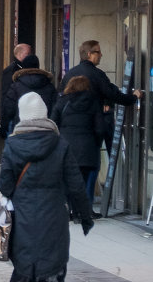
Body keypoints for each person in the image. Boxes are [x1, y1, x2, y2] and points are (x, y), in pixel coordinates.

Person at [0, 92, 94, 282]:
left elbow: (5, 185)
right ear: (45, 114)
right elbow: (76, 186)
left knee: (24, 267)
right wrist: (85, 217)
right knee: (52, 266)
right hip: (54, 217)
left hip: (22, 217)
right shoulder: (61, 145)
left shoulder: (12, 144)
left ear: (22, 115)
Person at [61, 39, 139, 153]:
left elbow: (60, 101)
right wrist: (134, 97)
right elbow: (114, 95)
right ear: (89, 54)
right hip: (90, 130)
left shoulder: (69, 75)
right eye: (98, 52)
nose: (101, 55)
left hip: (70, 132)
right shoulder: (97, 74)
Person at [52, 75, 107, 210]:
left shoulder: (62, 102)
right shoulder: (93, 103)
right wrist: (96, 143)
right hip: (87, 149)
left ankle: (69, 208)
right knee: (84, 181)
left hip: (66, 148)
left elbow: (53, 125)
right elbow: (100, 128)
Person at [0, 55, 57, 139]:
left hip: (20, 130)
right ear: (38, 66)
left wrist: (4, 128)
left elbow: (8, 109)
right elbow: (55, 110)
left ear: (23, 67)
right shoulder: (49, 86)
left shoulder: (16, 86)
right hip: (44, 131)